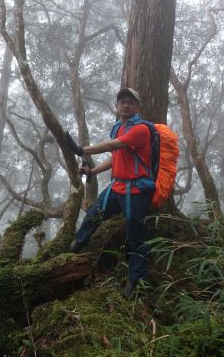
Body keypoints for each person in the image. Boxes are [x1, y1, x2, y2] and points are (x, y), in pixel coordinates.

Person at [65, 87, 154, 298]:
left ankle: (135, 281)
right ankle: (74, 248)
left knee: (135, 236)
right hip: (117, 186)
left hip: (137, 189)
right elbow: (116, 156)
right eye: (122, 101)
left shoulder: (141, 129)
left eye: (130, 102)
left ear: (138, 107)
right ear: (117, 106)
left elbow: (114, 145)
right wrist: (93, 171)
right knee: (93, 215)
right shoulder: (117, 127)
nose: (125, 104)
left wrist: (81, 150)